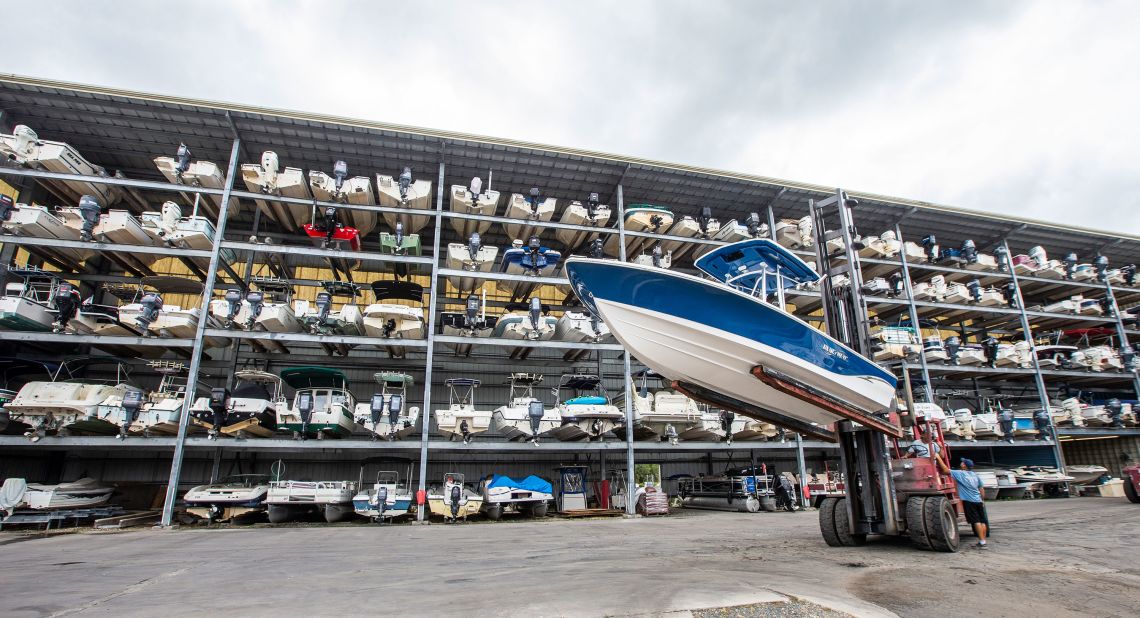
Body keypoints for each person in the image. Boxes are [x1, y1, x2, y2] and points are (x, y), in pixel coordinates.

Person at [938, 455, 988, 549]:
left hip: (969, 501)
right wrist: (982, 500)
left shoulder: (960, 474)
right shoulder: (975, 475)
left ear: (964, 465)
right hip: (978, 500)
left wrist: (938, 457)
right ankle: (983, 540)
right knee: (982, 521)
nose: (961, 463)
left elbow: (945, 470)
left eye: (962, 462)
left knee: (976, 521)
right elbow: (981, 489)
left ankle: (982, 543)